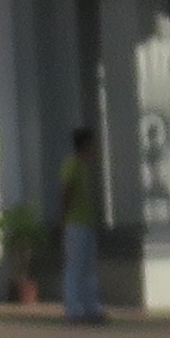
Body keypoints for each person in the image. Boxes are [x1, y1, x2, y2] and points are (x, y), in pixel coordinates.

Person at [56, 127, 105, 322]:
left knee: (88, 268)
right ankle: (73, 309)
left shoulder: (84, 166)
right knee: (75, 268)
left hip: (86, 222)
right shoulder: (72, 164)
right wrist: (63, 217)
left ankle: (91, 308)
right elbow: (65, 191)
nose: (95, 148)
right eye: (92, 143)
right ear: (84, 144)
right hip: (75, 223)